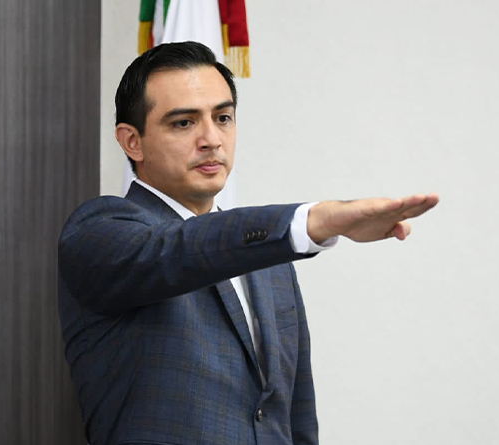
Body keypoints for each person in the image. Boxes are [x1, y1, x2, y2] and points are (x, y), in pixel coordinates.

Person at [57, 41, 439, 445]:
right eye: (183, 123)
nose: (211, 139)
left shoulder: (271, 258)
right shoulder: (99, 232)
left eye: (223, 118)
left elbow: (295, 418)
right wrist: (314, 221)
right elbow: (175, 250)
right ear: (132, 141)